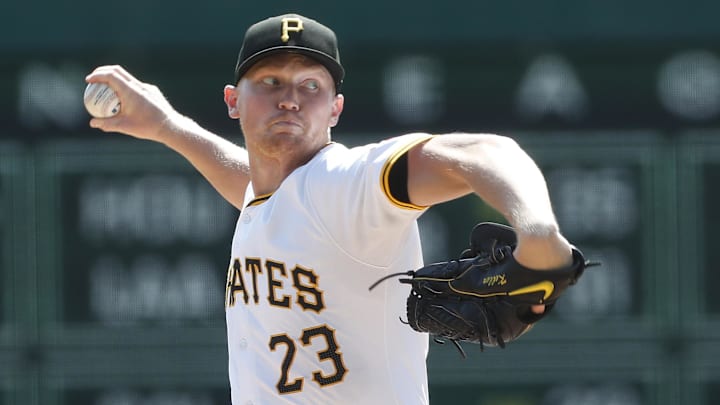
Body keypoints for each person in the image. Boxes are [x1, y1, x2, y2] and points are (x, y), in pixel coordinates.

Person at [85, 13, 573, 405]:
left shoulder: (346, 184)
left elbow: (486, 152)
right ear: (234, 101)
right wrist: (168, 125)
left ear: (335, 109)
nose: (290, 100)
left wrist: (539, 235)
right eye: (271, 81)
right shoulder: (272, 198)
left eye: (310, 86)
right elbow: (253, 185)